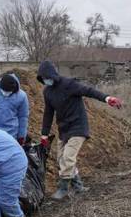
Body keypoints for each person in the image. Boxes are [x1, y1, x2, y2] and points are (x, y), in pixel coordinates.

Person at [37, 60, 122, 200]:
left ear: (53, 75)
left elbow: (89, 91)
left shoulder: (69, 85)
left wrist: (107, 98)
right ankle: (78, 186)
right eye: (43, 78)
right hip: (63, 129)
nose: (46, 80)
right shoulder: (48, 92)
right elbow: (48, 113)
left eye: (47, 77)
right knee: (61, 160)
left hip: (78, 126)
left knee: (68, 157)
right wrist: (44, 135)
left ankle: (63, 188)